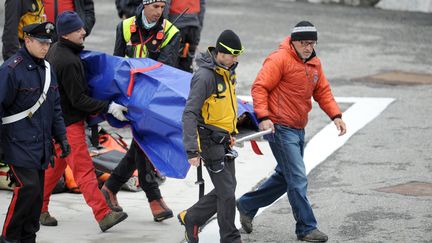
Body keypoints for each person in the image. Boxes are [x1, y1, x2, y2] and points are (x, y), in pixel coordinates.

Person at [236, 21, 347, 242]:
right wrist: (264, 117)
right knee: (297, 178)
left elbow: (322, 91)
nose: (309, 47)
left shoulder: (314, 63)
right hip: (279, 128)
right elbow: (260, 87)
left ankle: (247, 204)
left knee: (285, 177)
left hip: (298, 127)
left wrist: (336, 116)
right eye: (305, 43)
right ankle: (306, 227)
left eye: (312, 43)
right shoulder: (279, 59)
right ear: (294, 42)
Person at [40, 11, 128, 232]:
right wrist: (108, 106)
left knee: (54, 169)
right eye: (78, 29)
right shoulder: (68, 61)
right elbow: (78, 99)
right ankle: (103, 214)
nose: (84, 32)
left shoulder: (56, 51)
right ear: (67, 34)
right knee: (84, 170)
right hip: (69, 124)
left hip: (57, 121)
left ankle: (37, 208)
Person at [101, 0, 180, 222]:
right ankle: (151, 197)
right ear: (144, 5)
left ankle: (113, 188)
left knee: (143, 140)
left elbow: (164, 73)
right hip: (126, 96)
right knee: (142, 141)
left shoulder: (171, 32)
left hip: (153, 97)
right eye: (155, 6)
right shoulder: (124, 27)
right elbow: (116, 65)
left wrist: (138, 101)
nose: (160, 12)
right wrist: (117, 99)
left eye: (163, 7)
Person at [0, 22, 70, 243]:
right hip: (17, 143)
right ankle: (9, 237)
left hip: (40, 146)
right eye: (41, 43)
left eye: (48, 43)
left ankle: (28, 237)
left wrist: (62, 138)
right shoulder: (11, 70)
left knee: (37, 196)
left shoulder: (48, 69)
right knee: (27, 188)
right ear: (27, 40)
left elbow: (55, 107)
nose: (45, 47)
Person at [178, 29, 244, 243]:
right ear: (221, 53)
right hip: (208, 141)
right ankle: (230, 238)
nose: (235, 59)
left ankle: (192, 217)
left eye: (238, 55)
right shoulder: (205, 77)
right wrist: (192, 149)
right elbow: (189, 113)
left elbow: (225, 107)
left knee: (229, 187)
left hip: (224, 139)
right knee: (227, 192)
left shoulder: (228, 71)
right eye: (233, 54)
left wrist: (232, 131)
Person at [165, 0, 206, 72]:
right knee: (187, 65)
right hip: (194, 26)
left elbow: (166, 5)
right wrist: (198, 27)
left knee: (171, 64)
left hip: (176, 25)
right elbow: (202, 6)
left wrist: (164, 25)